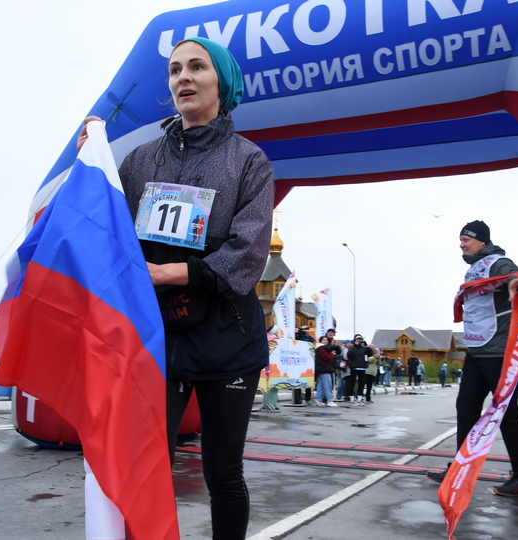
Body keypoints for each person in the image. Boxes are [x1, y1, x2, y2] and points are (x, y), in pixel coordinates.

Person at [79, 37, 274, 539]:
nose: (183, 77)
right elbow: (107, 226)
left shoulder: (249, 161)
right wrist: (90, 168)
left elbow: (249, 253)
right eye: (174, 70)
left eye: (197, 67)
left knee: (222, 472)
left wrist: (167, 273)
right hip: (156, 337)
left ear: (222, 82)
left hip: (227, 337)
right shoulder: (140, 161)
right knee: (146, 465)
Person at [427, 220, 518, 498]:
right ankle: (458, 471)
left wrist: (517, 282)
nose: (461, 244)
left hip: (499, 353)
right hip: (476, 353)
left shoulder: (498, 262)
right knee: (466, 408)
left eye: (466, 240)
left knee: (507, 413)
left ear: (482, 241)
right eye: (461, 240)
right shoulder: (474, 267)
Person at [345, 334, 374, 407]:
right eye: (357, 340)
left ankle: (359, 399)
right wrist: (353, 347)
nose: (358, 341)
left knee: (361, 384)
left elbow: (370, 354)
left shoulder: (364, 348)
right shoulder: (352, 348)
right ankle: (352, 399)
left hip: (362, 367)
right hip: (354, 367)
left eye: (360, 340)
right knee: (352, 383)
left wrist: (366, 345)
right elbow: (349, 355)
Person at [315, 336, 338, 406]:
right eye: (324, 340)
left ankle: (319, 400)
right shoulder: (321, 349)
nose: (325, 341)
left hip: (320, 370)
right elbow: (327, 358)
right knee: (327, 385)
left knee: (320, 386)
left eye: (326, 340)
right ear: (320, 341)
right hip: (324, 369)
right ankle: (329, 400)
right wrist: (332, 354)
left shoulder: (318, 348)